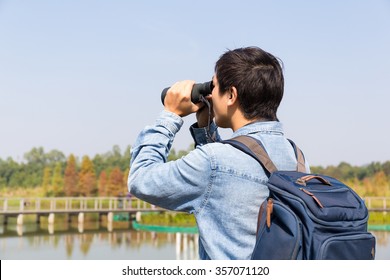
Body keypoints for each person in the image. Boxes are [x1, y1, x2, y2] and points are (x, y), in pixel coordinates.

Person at [128, 46, 310, 260]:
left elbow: (141, 180)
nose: (210, 93)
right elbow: (228, 173)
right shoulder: (297, 157)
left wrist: (170, 115)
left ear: (231, 94)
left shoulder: (213, 162)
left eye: (213, 86)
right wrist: (206, 127)